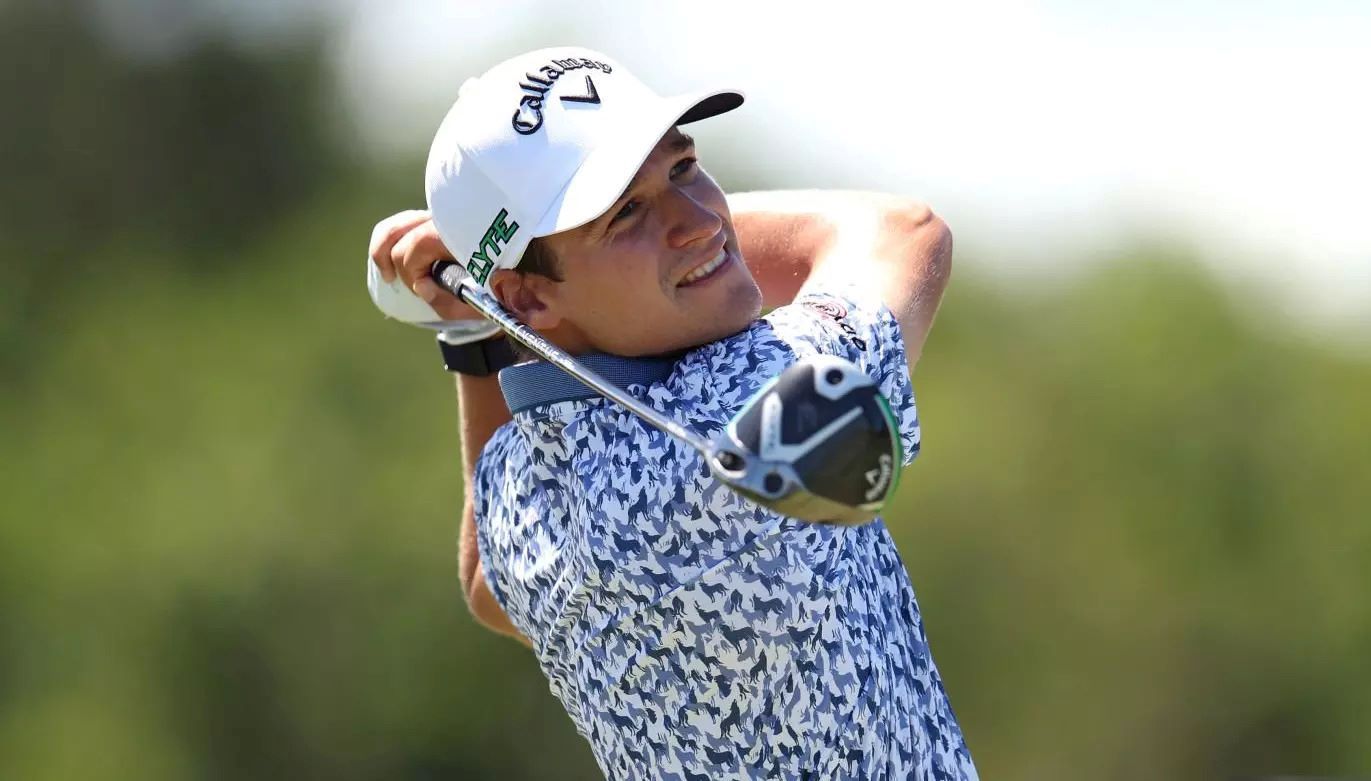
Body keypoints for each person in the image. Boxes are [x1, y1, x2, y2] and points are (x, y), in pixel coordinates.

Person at [366, 47, 976, 780]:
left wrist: (478, 318)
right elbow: (905, 230)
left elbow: (488, 585)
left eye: (683, 168)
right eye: (625, 212)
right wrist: (483, 286)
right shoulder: (747, 401)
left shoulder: (520, 486)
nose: (699, 220)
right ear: (528, 297)